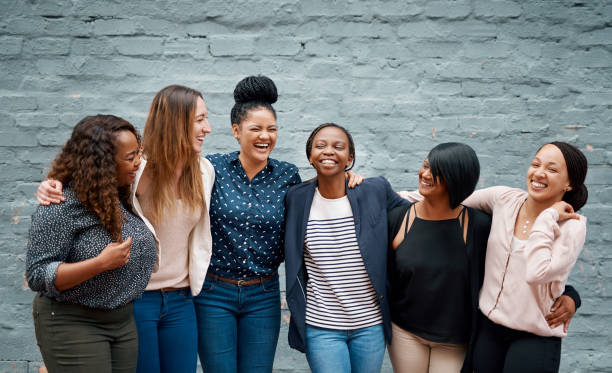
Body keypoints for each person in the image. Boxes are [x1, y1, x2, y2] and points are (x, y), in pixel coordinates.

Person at [36, 85, 215, 373]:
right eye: (199, 119)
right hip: (138, 298)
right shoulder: (135, 169)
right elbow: (88, 177)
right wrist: (51, 182)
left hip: (181, 299)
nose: (207, 128)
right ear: (174, 123)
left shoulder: (205, 171)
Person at [400, 141, 587, 372]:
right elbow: (446, 200)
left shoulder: (572, 226)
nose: (539, 173)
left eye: (552, 169)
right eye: (535, 164)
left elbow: (537, 273)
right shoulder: (504, 199)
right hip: (488, 330)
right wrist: (372, 191)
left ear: (569, 183)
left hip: (534, 337)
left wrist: (548, 218)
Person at [26, 115, 156, 373]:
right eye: (130, 157)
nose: (138, 162)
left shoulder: (117, 193)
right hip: (73, 320)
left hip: (121, 320)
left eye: (138, 153)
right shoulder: (60, 206)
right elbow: (38, 275)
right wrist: (99, 264)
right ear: (103, 163)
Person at [284, 123, 410, 373]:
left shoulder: (373, 190)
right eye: (320, 146)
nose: (328, 151)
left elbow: (414, 213)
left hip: (370, 325)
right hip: (321, 327)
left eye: (338, 147)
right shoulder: (296, 198)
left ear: (350, 158)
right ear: (310, 157)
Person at [386, 143, 491, 373]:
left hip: (454, 340)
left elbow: (511, 267)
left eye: (437, 171)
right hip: (405, 332)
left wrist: (569, 295)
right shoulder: (398, 219)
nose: (425, 174)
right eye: (425, 165)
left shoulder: (478, 226)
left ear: (457, 179)